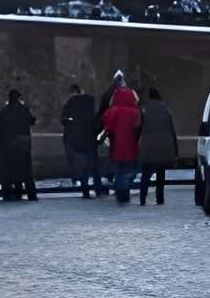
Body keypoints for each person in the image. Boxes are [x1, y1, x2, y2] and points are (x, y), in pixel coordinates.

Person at [100, 73, 145, 205]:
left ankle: (121, 193)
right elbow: (138, 127)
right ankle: (123, 192)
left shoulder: (112, 111)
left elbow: (106, 125)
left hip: (115, 146)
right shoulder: (135, 112)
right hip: (131, 145)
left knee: (119, 170)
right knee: (128, 170)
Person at [138, 83, 179, 204]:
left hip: (148, 146)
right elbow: (172, 130)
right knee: (161, 175)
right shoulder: (166, 109)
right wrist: (175, 150)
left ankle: (142, 198)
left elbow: (139, 129)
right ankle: (160, 198)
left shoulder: (144, 109)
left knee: (145, 175)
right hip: (163, 146)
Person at [0, 85, 37, 200]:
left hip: (9, 145)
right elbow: (31, 121)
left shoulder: (4, 112)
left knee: (10, 169)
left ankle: (11, 193)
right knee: (26, 170)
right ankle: (30, 194)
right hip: (23, 143)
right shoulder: (24, 110)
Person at [60, 83, 100, 197]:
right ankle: (98, 188)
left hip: (77, 139)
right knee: (94, 166)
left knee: (82, 166)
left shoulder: (69, 104)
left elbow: (64, 121)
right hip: (90, 138)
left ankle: (85, 189)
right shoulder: (90, 101)